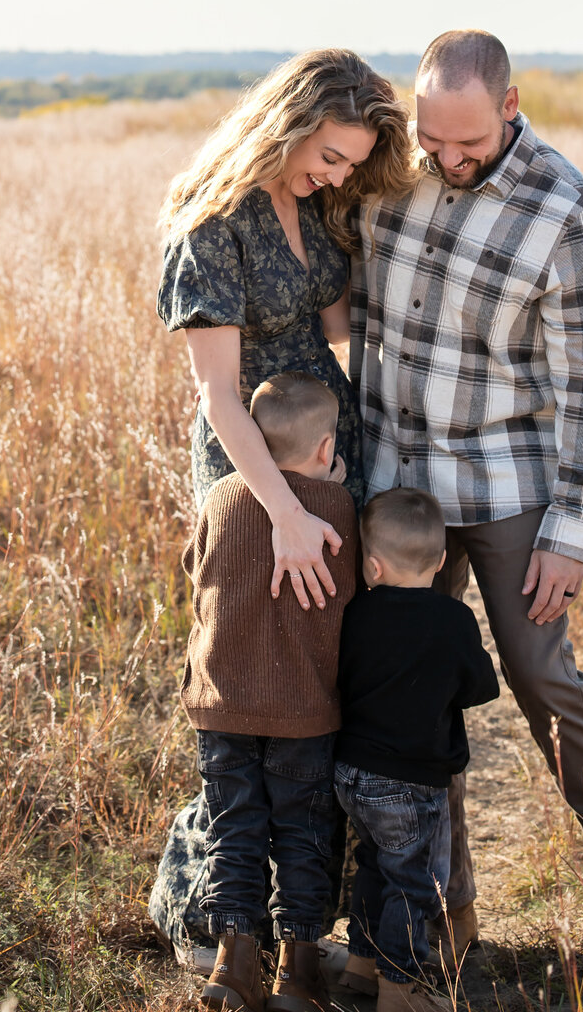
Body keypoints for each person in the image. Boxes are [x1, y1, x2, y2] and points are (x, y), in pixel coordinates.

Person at [352, 29, 583, 957]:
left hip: (506, 485)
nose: (446, 161)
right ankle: (439, 922)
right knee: (405, 698)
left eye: (469, 145)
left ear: (511, 107)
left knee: (540, 677)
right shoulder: (391, 173)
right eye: (430, 140)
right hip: (394, 487)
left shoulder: (567, 212)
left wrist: (570, 529)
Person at [149, 48, 414, 959]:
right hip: (254, 481)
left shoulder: (312, 206)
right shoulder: (208, 221)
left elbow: (339, 326)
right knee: (251, 693)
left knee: (317, 688)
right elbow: (218, 397)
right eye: (329, 155)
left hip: (328, 468)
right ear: (288, 121)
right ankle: (219, 921)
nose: (335, 172)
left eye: (348, 162)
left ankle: (306, 923)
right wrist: (287, 517)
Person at [183, 373, 359, 1012]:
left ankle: (234, 961)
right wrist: (332, 490)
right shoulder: (337, 511)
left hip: (222, 702)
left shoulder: (223, 497)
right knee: (303, 833)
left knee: (235, 829)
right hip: (302, 709)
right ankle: (299, 971)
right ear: (324, 447)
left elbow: (194, 570)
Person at [334, 488, 498, 1012]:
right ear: (443, 559)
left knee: (373, 864)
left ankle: (359, 964)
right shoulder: (453, 620)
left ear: (372, 565)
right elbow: (478, 688)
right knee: (415, 881)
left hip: (350, 774)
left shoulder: (354, 614)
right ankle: (398, 988)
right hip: (412, 782)